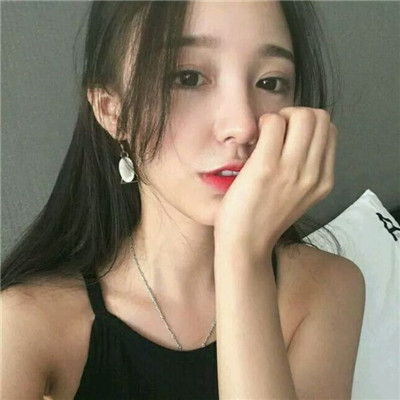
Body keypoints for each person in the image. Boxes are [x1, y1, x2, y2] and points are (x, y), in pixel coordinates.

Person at [1, 1, 366, 399]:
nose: (243, 126)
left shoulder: (327, 288)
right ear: (112, 112)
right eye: (188, 77)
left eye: (270, 82)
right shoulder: (27, 324)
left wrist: (242, 254)